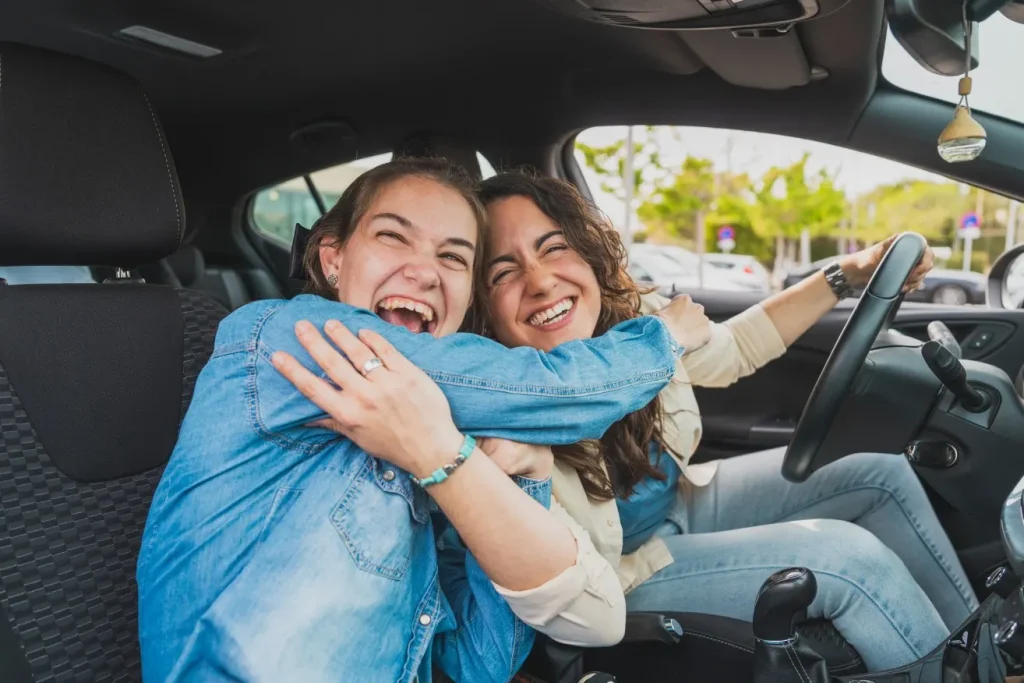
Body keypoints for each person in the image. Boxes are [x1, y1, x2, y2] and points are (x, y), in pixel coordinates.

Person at [136, 157, 710, 683]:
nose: (424, 271)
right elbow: (547, 388)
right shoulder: (283, 337)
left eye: (454, 257)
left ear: (465, 303)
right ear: (332, 258)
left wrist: (519, 476)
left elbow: (477, 661)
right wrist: (667, 336)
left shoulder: (433, 439)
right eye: (393, 236)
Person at [468, 170, 978, 673]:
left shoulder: (638, 322)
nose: (539, 280)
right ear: (482, 308)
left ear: (586, 249)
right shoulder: (496, 407)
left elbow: (735, 349)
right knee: (847, 559)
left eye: (554, 247)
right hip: (617, 575)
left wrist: (849, 271)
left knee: (877, 469)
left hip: (680, 503)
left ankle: (975, 652)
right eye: (502, 272)